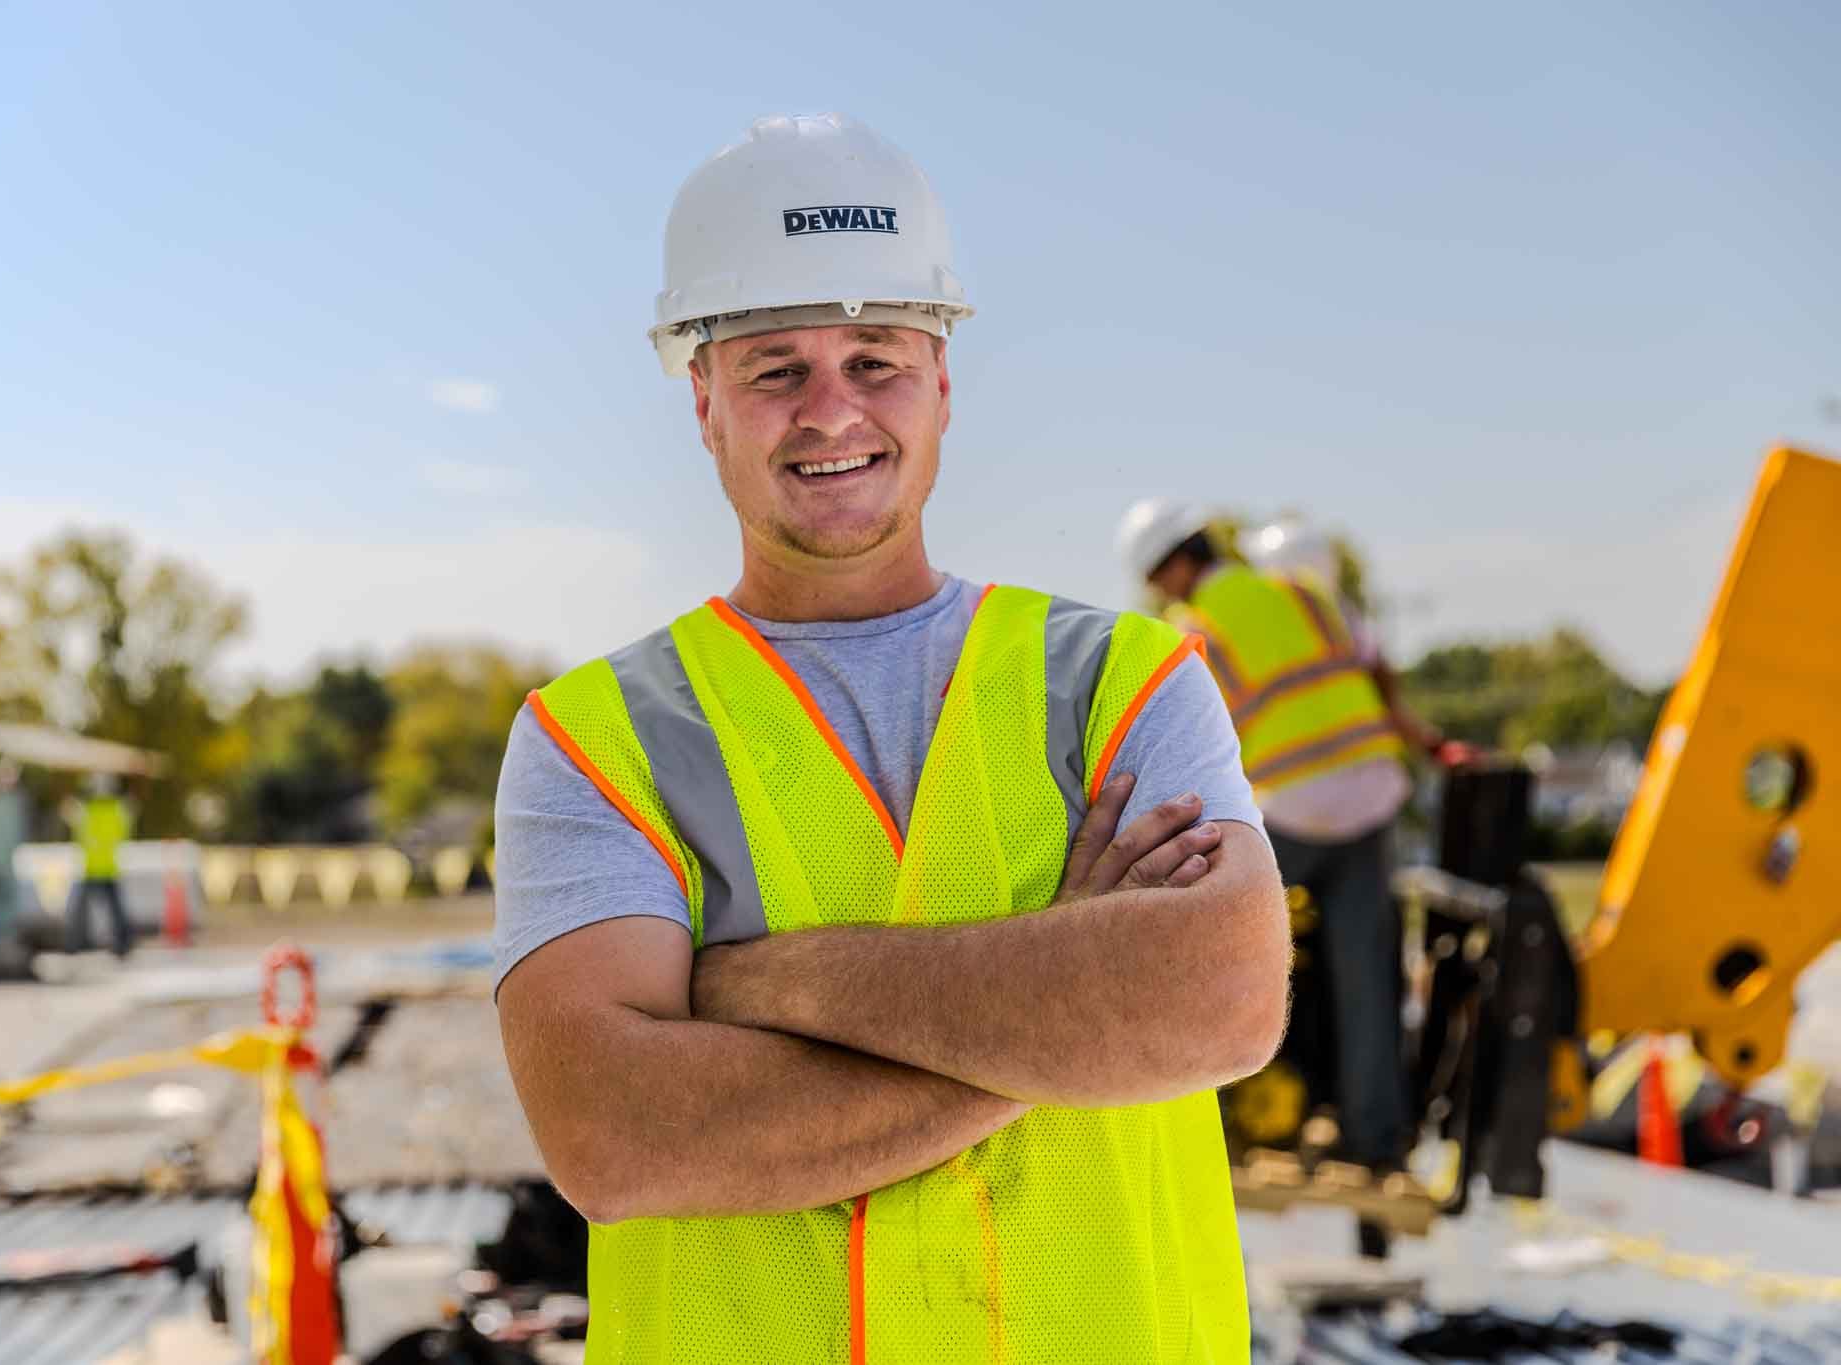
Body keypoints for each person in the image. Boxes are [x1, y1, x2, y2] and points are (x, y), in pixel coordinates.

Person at [491, 114, 1291, 1365]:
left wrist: (762, 981)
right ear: (701, 400)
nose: (830, 411)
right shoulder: (593, 742)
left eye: (875, 359)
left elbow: (1222, 1005)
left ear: (941, 383)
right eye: (772, 369)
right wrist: (1071, 1017)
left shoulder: (1123, 681)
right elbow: (615, 1136)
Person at [1116, 500, 1440, 1171]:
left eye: (1157, 577)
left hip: (1292, 806)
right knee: (1366, 980)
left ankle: (1214, 1123)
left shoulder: (1194, 627)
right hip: (1372, 796)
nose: (1159, 590)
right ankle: (1375, 1142)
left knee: (1208, 950)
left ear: (1178, 565)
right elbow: (1374, 669)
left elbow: (1191, 744)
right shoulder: (1303, 590)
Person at [65, 772, 132, 957]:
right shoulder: (117, 811)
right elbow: (123, 834)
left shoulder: (87, 811)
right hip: (107, 867)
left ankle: (74, 944)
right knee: (116, 912)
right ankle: (122, 945)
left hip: (93, 868)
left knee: (82, 912)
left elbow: (79, 836)